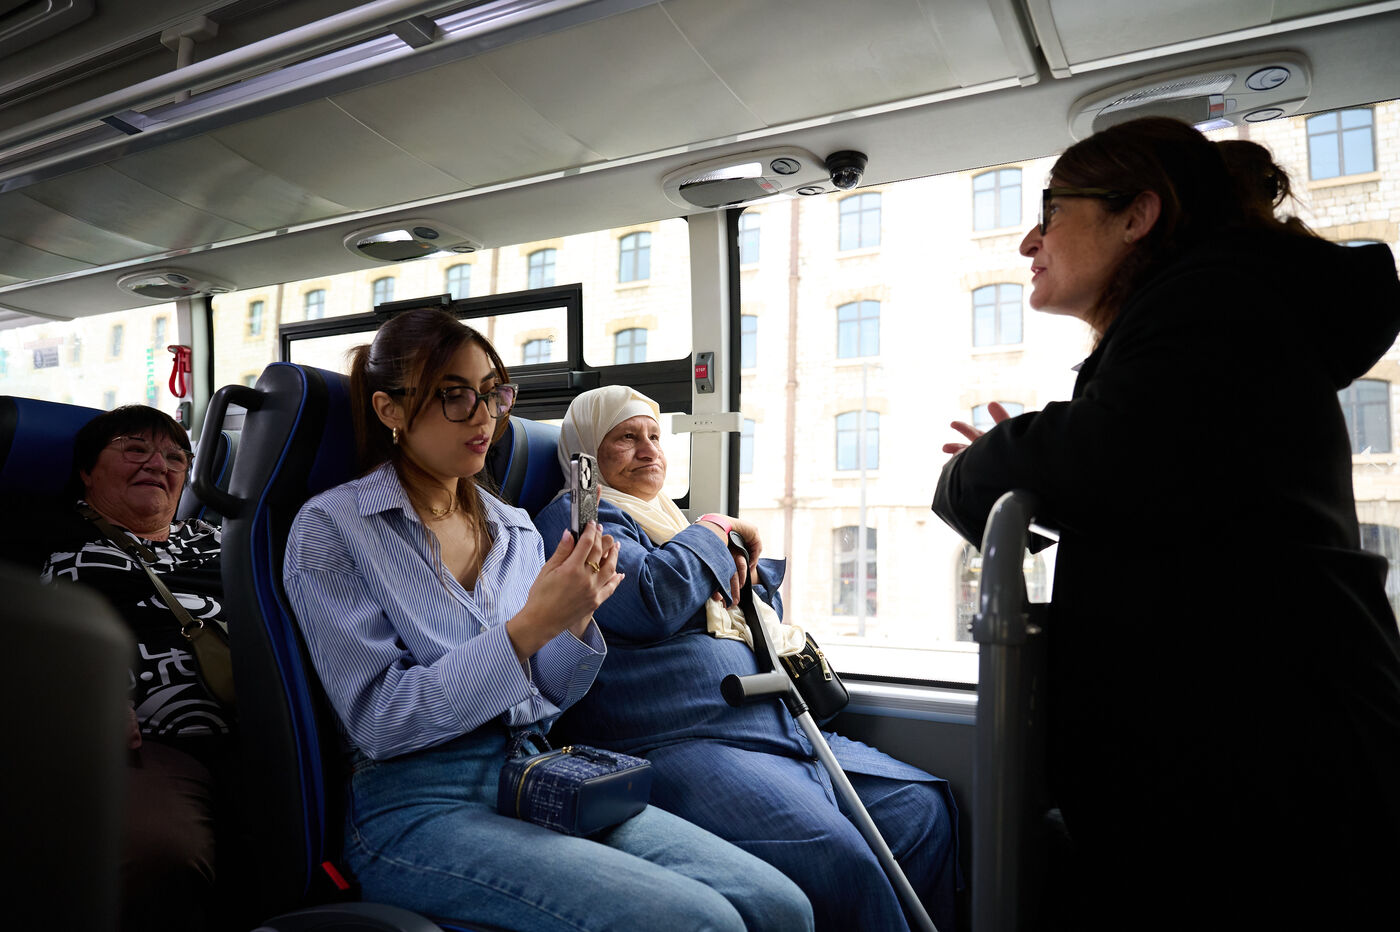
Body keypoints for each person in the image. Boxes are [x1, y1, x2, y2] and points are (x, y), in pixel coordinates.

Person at [933, 117, 1400, 929]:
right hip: (1255, 756)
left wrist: (985, 466)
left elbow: (1105, 454)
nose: (1028, 241)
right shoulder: (1214, 316)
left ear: (1137, 215)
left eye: (1051, 211)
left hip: (1271, 774)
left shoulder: (1215, 305)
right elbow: (1148, 480)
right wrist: (1034, 465)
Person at [282, 308, 812, 932]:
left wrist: (578, 618)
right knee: (700, 922)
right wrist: (532, 627)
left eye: (492, 394)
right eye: (454, 395)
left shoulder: (513, 529)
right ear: (390, 409)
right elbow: (382, 721)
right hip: (417, 800)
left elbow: (546, 698)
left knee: (782, 906)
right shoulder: (333, 527)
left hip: (537, 771)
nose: (483, 416)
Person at [534, 385, 960, 932]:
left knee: (918, 811)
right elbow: (651, 600)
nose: (648, 450)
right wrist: (716, 531)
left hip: (775, 728)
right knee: (840, 861)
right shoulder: (578, 517)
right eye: (626, 438)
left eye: (655, 437)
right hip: (685, 739)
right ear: (587, 453)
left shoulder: (668, 521)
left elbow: (750, 614)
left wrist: (741, 571)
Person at [32, 405, 233, 932]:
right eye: (135, 449)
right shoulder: (46, 536)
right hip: (148, 739)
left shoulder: (220, 539)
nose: (158, 465)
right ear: (86, 470)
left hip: (268, 725)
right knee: (159, 850)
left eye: (174, 457)